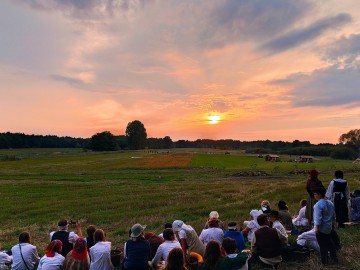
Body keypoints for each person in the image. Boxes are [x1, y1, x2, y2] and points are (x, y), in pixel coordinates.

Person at [313, 186, 338, 265]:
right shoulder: (330, 203)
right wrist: (333, 223)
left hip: (321, 228)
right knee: (330, 243)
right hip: (329, 227)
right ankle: (334, 258)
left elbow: (318, 217)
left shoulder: (318, 205)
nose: (314, 196)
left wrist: (316, 227)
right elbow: (333, 215)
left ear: (319, 194)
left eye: (315, 194)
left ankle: (325, 262)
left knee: (323, 246)